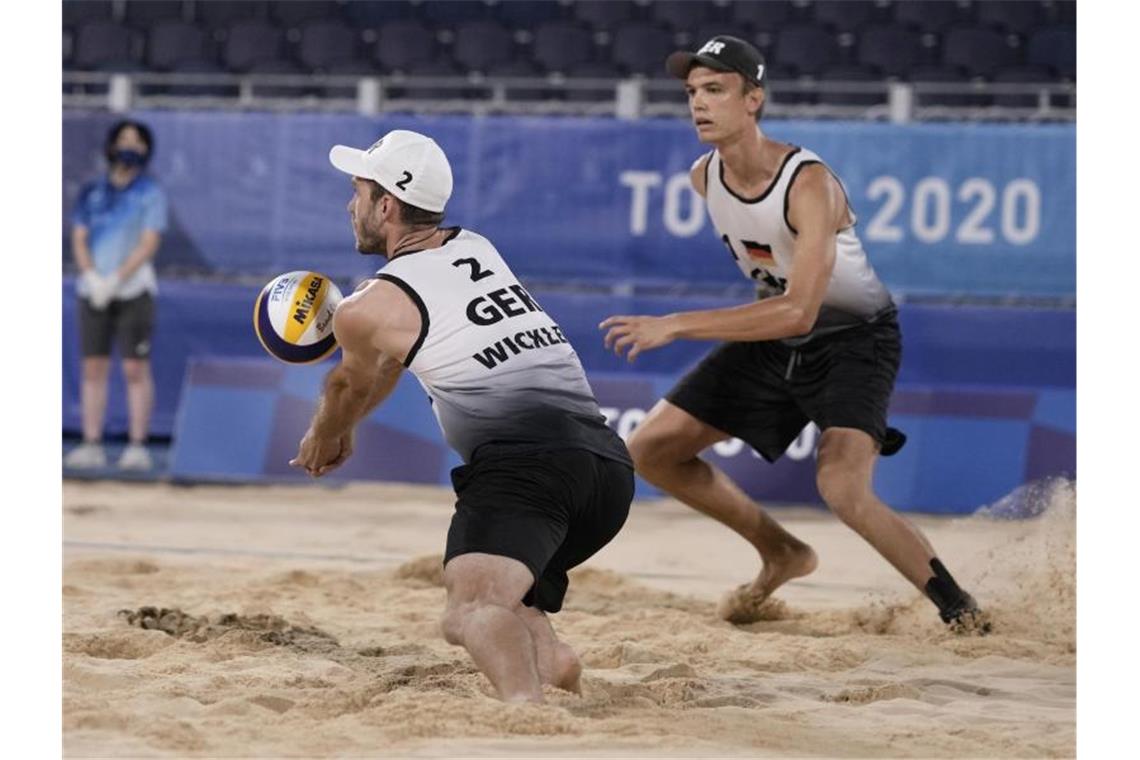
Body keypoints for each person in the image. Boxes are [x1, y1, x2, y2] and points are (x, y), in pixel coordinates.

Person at [600, 36, 986, 631]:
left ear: (753, 99)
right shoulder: (705, 177)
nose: (698, 104)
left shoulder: (809, 184)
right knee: (650, 450)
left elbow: (801, 310)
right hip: (773, 341)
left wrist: (676, 324)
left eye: (715, 90)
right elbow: (774, 297)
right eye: (691, 92)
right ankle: (780, 551)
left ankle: (961, 612)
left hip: (855, 339)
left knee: (843, 490)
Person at [291, 130, 635, 701]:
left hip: (529, 468)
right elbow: (393, 365)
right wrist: (347, 424)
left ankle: (526, 714)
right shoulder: (476, 247)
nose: (348, 206)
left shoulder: (367, 307)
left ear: (386, 205)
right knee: (506, 595)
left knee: (469, 610)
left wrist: (322, 434)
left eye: (357, 191)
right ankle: (552, 666)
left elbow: (348, 381)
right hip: (605, 469)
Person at [65, 119, 167, 471]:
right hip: (92, 292)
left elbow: (149, 241)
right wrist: (93, 277)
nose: (130, 146)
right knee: (93, 368)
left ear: (145, 150)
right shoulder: (92, 191)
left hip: (134, 291)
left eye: (138, 141)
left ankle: (137, 445)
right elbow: (79, 237)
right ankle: (91, 442)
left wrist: (117, 279)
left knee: (135, 368)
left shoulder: (149, 193)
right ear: (110, 146)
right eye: (124, 139)